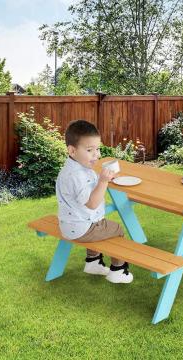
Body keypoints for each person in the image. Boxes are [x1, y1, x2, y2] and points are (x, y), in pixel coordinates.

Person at [56, 120, 133, 284]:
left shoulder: (73, 169)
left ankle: (93, 262)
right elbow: (92, 203)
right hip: (82, 228)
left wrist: (102, 179)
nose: (96, 154)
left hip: (69, 225)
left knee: (101, 224)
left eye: (97, 149)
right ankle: (117, 271)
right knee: (116, 229)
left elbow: (87, 188)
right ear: (72, 150)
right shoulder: (77, 175)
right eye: (90, 150)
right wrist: (103, 182)